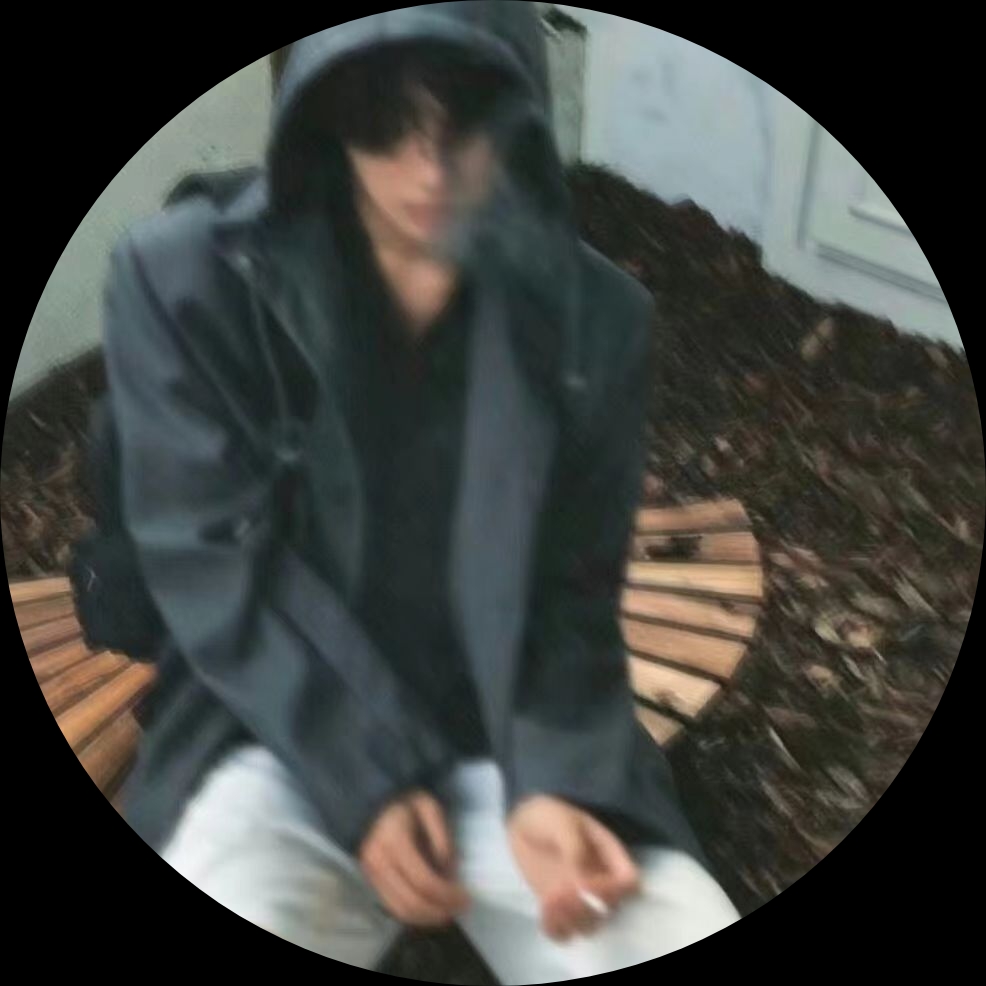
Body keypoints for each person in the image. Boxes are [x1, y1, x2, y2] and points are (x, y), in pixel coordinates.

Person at [105, 3, 740, 980]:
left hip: (505, 728)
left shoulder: (594, 319)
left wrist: (557, 777)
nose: (428, 170)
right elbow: (209, 556)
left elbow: (572, 593)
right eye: (382, 120)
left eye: (463, 121)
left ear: (519, 114)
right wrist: (364, 770)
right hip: (279, 723)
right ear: (321, 111)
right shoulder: (186, 279)